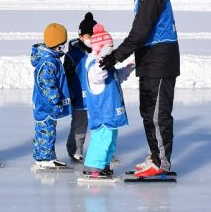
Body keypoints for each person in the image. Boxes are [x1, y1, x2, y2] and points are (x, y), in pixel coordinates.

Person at [99, 0, 180, 178]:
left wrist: (117, 56)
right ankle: (155, 155)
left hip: (161, 57)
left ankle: (161, 162)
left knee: (157, 113)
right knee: (148, 110)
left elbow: (141, 30)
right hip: (151, 56)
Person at [82, 23, 135, 179]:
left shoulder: (106, 65)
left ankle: (103, 164)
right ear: (100, 49)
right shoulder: (94, 65)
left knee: (110, 141)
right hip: (102, 114)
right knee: (102, 141)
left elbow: (117, 77)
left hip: (110, 114)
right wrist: (102, 58)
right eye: (109, 49)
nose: (111, 52)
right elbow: (97, 76)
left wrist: (129, 67)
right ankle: (94, 167)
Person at [30, 23, 72, 169]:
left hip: (44, 103)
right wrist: (55, 100)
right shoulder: (48, 62)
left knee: (45, 129)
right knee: (46, 130)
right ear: (57, 45)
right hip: (46, 104)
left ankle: (42, 156)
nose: (64, 48)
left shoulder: (51, 58)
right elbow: (47, 83)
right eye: (62, 45)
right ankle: (45, 158)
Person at [63, 12, 96, 162]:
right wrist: (70, 94)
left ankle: (101, 150)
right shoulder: (72, 55)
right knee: (79, 125)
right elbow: (67, 76)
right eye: (89, 36)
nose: (91, 40)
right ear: (81, 36)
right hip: (79, 96)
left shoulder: (99, 52)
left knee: (100, 124)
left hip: (96, 95)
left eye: (94, 36)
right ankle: (75, 150)